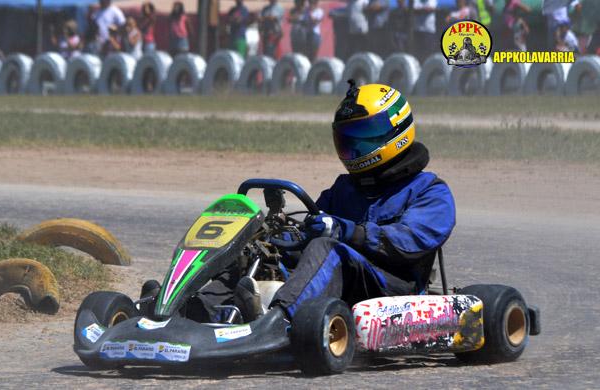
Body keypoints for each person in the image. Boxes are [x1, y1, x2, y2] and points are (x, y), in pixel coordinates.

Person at [185, 81, 456, 324]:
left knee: (329, 248)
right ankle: (193, 310)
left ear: (395, 130)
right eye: (348, 137)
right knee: (258, 252)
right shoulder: (344, 189)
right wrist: (277, 237)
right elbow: (310, 232)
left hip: (392, 286)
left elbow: (408, 242)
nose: (354, 146)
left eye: (364, 135)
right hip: (344, 278)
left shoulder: (430, 191)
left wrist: (349, 232)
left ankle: (277, 320)